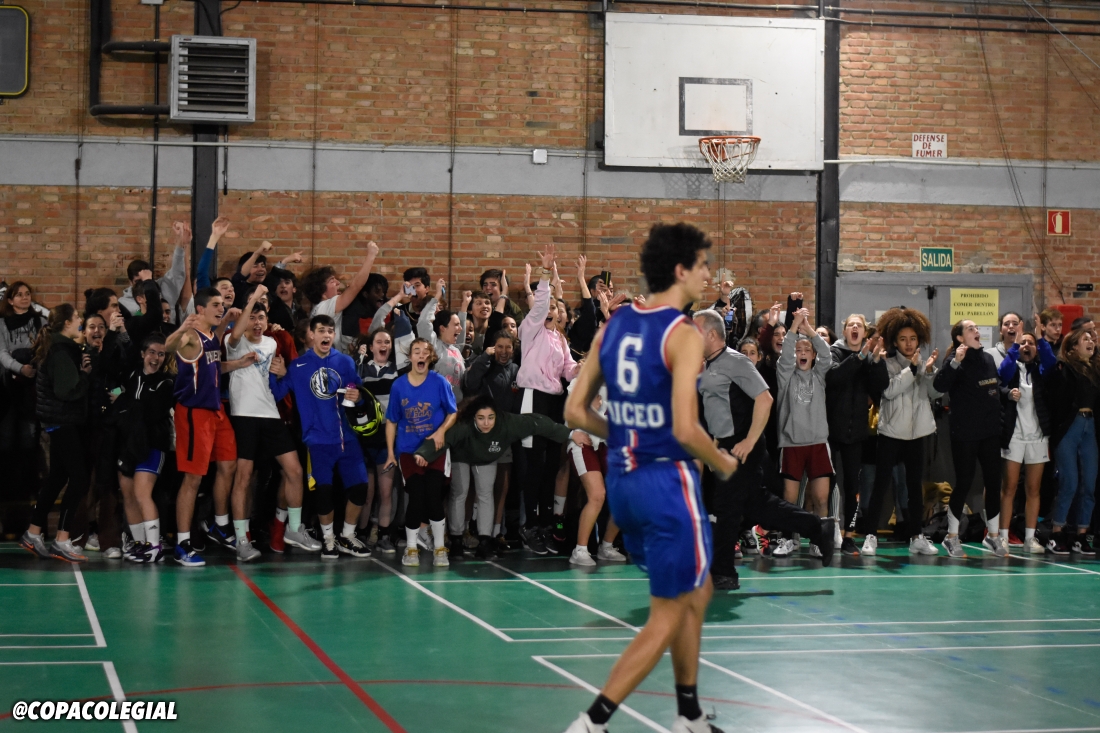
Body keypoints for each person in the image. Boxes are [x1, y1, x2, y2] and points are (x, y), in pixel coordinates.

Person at [562, 222, 739, 733]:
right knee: (669, 611)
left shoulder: (614, 324)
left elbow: (575, 411)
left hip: (624, 482)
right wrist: (722, 460)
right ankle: (592, 722)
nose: (707, 275)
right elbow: (684, 428)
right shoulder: (682, 334)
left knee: (696, 592)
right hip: (666, 483)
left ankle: (689, 714)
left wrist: (622, 433)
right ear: (680, 271)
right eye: (702, 266)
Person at [694, 308, 834, 590]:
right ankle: (817, 527)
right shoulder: (708, 364)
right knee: (756, 505)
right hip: (725, 447)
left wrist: (748, 441)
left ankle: (723, 573)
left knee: (727, 507)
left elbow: (765, 399)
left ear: (710, 334)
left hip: (743, 446)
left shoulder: (736, 361)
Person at [414, 392, 583, 559]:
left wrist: (570, 434)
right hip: (462, 454)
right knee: (460, 492)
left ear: (497, 416)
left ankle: (485, 541)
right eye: (481, 418)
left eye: (490, 417)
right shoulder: (463, 425)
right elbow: (441, 439)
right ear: (474, 418)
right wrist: (423, 453)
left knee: (486, 493)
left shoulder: (507, 423)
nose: (486, 423)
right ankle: (456, 540)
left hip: (487, 457)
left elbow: (536, 423)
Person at [226, 286, 321, 561]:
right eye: (252, 318)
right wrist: (254, 298)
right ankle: (242, 540)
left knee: (295, 470)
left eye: (261, 318)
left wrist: (281, 374)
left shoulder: (271, 344)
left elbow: (277, 382)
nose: (257, 323)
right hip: (244, 416)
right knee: (244, 478)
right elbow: (236, 333)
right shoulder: (234, 342)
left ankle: (294, 528)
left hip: (271, 414)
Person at [270, 314, 373, 560]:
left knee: (360, 487)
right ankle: (328, 539)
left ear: (334, 335)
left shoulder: (345, 362)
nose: (326, 335)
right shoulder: (298, 366)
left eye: (330, 331)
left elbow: (358, 393)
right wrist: (275, 373)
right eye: (321, 331)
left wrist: (358, 397)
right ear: (311, 335)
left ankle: (347, 536)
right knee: (323, 491)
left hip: (347, 438)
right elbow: (277, 393)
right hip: (318, 441)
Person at [164, 288, 239, 567]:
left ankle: (220, 524)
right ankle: (182, 544)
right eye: (216, 305)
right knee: (192, 479)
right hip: (194, 413)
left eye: (222, 304)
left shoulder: (211, 336)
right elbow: (168, 346)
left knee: (229, 464)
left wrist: (240, 362)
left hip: (215, 411)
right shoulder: (191, 337)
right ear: (200, 309)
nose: (221, 308)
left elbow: (214, 366)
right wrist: (183, 326)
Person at [857, 307, 941, 557]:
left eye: (912, 339)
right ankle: (870, 536)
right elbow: (889, 391)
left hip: (917, 435)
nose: (908, 343)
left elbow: (935, 393)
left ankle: (917, 536)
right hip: (891, 433)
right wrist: (912, 370)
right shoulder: (887, 363)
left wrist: (929, 372)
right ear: (895, 341)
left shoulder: (923, 364)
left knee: (914, 488)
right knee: (880, 485)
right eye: (903, 339)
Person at [516, 245, 580, 555]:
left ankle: (544, 524)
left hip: (555, 402)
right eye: (547, 305)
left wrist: (584, 367)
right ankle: (529, 526)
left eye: (555, 305)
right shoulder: (530, 330)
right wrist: (545, 273)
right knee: (534, 465)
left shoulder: (560, 339)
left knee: (552, 465)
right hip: (533, 399)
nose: (550, 308)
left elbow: (569, 369)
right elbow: (540, 303)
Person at [19, 305, 93, 563]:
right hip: (63, 421)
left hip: (57, 421)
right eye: (77, 317)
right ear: (66, 323)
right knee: (79, 479)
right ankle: (62, 539)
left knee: (58, 477)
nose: (80, 320)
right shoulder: (61, 351)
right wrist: (85, 376)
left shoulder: (58, 347)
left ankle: (33, 532)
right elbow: (67, 390)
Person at [934, 319, 1006, 558]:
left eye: (976, 328)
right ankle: (951, 537)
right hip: (965, 433)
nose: (976, 331)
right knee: (964, 482)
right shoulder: (954, 360)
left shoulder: (988, 359)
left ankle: (993, 536)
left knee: (993, 482)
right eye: (970, 329)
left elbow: (994, 389)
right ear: (959, 338)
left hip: (990, 432)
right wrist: (955, 362)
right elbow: (939, 385)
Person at [383, 338, 457, 568]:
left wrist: (441, 432)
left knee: (434, 496)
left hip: (434, 449)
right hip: (408, 450)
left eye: (426, 351)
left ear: (431, 357)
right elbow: (391, 421)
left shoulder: (439, 382)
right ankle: (411, 548)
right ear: (410, 357)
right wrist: (390, 453)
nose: (421, 355)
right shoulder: (399, 386)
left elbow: (452, 412)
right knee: (415, 496)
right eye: (417, 351)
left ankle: (439, 549)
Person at [774, 307, 834, 558]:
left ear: (813, 355)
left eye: (807, 350)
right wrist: (794, 326)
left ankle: (818, 541)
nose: (802, 353)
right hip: (792, 443)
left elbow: (827, 356)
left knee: (821, 499)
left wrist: (809, 330)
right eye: (798, 350)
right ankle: (789, 539)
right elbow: (785, 356)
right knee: (789, 500)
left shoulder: (819, 375)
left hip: (818, 443)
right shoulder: (785, 376)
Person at [825, 314, 887, 555]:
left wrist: (877, 361)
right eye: (850, 325)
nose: (854, 328)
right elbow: (833, 377)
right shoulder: (834, 352)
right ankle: (832, 530)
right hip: (832, 431)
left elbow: (879, 388)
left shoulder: (869, 356)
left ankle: (849, 535)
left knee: (853, 486)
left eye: (859, 325)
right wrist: (859, 357)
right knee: (830, 485)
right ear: (844, 331)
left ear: (864, 332)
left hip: (857, 433)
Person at [114, 334, 175, 563]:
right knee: (129, 494)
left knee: (142, 493)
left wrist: (124, 404)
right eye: (152, 352)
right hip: (128, 444)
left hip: (153, 445)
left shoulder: (165, 383)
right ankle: (140, 544)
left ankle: (154, 546)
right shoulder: (131, 375)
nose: (156, 358)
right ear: (142, 354)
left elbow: (151, 412)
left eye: (161, 354)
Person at [1042, 328, 1098, 556]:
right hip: (1070, 427)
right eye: (1085, 339)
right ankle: (1056, 532)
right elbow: (1052, 397)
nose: (1091, 342)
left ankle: (1081, 535)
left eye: (1092, 339)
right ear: (1074, 346)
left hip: (1090, 426)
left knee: (1089, 484)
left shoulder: (1096, 370)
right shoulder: (1063, 369)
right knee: (1070, 482)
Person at [998, 329, 1054, 554]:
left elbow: (1051, 362)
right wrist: (1014, 347)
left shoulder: (1042, 370)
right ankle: (1002, 536)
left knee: (1033, 489)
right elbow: (1002, 373)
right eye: (1022, 343)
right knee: (1009, 487)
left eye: (1030, 343)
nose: (1026, 346)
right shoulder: (1012, 369)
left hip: (1038, 436)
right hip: (1014, 436)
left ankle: (1030, 538)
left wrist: (1040, 339)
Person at [563, 381, 627, 566]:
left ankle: (606, 546)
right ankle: (580, 550)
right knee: (597, 495)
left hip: (609, 444)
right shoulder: (582, 379)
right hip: (584, 440)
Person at [353, 328, 403, 554]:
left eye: (387, 342)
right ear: (371, 346)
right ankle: (361, 534)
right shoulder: (361, 369)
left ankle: (384, 536)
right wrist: (358, 358)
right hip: (364, 438)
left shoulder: (397, 370)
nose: (384, 345)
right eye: (379, 342)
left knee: (386, 492)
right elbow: (353, 390)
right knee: (366, 493)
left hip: (387, 438)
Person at [0, 281, 50, 492]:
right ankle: (8, 487)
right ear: (10, 300)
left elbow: (45, 349)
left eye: (27, 293)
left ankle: (28, 486)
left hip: (32, 387)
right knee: (6, 436)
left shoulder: (40, 321)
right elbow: (2, 352)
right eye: (19, 294)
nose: (24, 297)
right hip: (8, 387)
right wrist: (20, 368)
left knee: (29, 436)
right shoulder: (2, 323)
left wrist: (33, 368)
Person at [298, 241, 380, 349]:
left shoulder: (318, 308)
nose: (337, 283)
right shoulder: (325, 306)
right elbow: (356, 286)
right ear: (321, 290)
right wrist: (371, 255)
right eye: (332, 280)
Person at [119, 225, 187, 322]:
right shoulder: (123, 304)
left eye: (146, 279)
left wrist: (180, 242)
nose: (144, 284)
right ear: (130, 282)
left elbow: (178, 272)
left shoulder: (164, 289)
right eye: (138, 281)